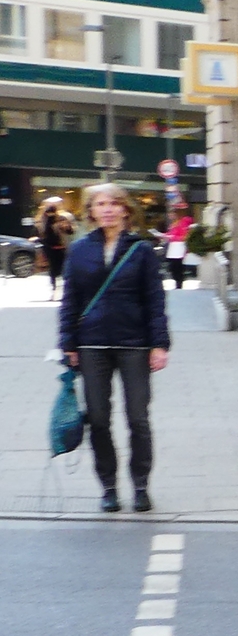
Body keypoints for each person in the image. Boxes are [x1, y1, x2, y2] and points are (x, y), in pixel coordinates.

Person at [58, 184, 169, 515]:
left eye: (113, 204)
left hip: (134, 344)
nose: (107, 209)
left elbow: (155, 300)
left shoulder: (142, 250)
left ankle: (140, 486)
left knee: (138, 417)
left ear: (125, 210)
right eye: (100, 204)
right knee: (100, 419)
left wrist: (159, 344)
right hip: (91, 344)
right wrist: (67, 343)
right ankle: (108, 486)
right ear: (91, 211)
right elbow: (70, 300)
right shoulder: (79, 251)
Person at [36, 196, 72, 298]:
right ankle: (54, 290)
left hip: (61, 248)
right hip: (50, 249)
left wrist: (65, 226)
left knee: (63, 270)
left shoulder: (62, 218)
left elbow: (70, 231)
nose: (50, 215)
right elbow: (42, 234)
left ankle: (62, 290)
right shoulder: (43, 221)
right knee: (53, 270)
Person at [164, 208, 194, 289]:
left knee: (178, 266)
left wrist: (172, 237)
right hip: (173, 247)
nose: (170, 216)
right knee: (173, 266)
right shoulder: (173, 224)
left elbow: (184, 236)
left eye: (172, 214)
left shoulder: (183, 223)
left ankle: (179, 283)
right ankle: (177, 282)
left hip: (179, 247)